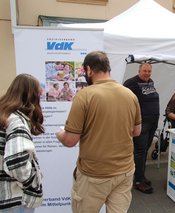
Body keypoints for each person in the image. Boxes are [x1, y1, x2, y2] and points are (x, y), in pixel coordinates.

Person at [55, 51, 141, 213]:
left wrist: (59, 133)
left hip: (94, 174)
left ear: (89, 70)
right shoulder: (130, 95)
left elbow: (70, 141)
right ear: (108, 69)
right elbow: (136, 131)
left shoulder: (84, 96)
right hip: (124, 171)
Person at [0, 74, 44, 212]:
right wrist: (32, 182)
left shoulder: (4, 116)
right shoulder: (17, 122)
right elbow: (16, 161)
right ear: (31, 96)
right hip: (16, 200)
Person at [123, 62, 160, 194]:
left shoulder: (150, 81)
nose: (147, 73)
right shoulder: (131, 83)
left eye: (149, 71)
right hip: (141, 123)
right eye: (145, 71)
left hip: (152, 122)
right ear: (139, 71)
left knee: (144, 151)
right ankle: (138, 181)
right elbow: (123, 100)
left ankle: (141, 176)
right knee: (139, 152)